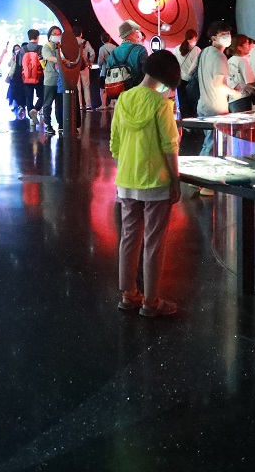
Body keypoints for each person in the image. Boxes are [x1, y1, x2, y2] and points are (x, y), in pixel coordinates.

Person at [110, 51, 183, 317]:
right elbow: (169, 146)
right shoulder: (161, 104)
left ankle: (128, 295)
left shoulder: (123, 99)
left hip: (127, 181)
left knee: (129, 238)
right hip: (156, 182)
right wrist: (175, 180)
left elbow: (115, 143)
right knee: (154, 242)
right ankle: (151, 302)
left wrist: (125, 170)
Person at [196, 22, 245, 155]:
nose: (227, 36)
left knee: (208, 143)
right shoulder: (219, 56)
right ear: (214, 38)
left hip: (203, 105)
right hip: (216, 108)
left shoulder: (205, 51)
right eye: (223, 34)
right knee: (213, 146)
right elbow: (218, 84)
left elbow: (190, 72)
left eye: (228, 33)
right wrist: (235, 93)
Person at [37, 25, 65, 134]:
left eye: (59, 34)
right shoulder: (47, 47)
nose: (57, 36)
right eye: (54, 34)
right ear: (49, 35)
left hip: (61, 79)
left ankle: (61, 125)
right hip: (50, 79)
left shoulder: (61, 46)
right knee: (48, 104)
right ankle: (48, 125)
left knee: (60, 104)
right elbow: (49, 57)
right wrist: (62, 60)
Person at [225, 33, 255, 113]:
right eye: (247, 43)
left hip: (232, 99)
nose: (249, 46)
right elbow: (250, 81)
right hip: (243, 98)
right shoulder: (242, 60)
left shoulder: (230, 60)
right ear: (239, 47)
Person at [174, 29, 202, 119]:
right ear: (194, 38)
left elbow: (174, 63)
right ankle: (193, 122)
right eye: (195, 39)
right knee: (193, 103)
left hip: (180, 80)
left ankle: (185, 122)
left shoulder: (176, 49)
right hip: (192, 81)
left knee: (183, 103)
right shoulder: (197, 50)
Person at [21, 29, 44, 121]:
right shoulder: (41, 48)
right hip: (39, 76)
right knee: (42, 95)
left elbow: (19, 63)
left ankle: (32, 118)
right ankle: (36, 109)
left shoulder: (23, 49)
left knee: (29, 98)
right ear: (38, 37)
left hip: (26, 77)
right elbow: (44, 63)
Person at [73, 30, 96, 112]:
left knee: (78, 87)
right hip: (84, 66)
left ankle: (79, 105)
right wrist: (90, 62)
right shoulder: (85, 42)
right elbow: (92, 53)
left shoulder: (71, 42)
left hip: (74, 67)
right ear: (81, 34)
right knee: (86, 86)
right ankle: (88, 105)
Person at [97, 32, 119, 110]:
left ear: (102, 40)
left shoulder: (102, 48)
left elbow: (100, 61)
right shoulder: (115, 47)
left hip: (104, 70)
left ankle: (103, 104)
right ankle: (112, 103)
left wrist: (100, 66)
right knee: (112, 87)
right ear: (109, 39)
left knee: (102, 88)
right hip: (113, 70)